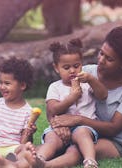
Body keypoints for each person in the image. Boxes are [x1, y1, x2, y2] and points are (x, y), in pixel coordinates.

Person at [41, 26, 122, 168]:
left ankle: (45, 166)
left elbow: (114, 128)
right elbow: (53, 107)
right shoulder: (85, 72)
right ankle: (22, 160)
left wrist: (78, 120)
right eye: (101, 53)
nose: (101, 60)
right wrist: (58, 126)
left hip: (114, 141)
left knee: (77, 149)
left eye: (109, 59)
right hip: (81, 133)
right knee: (54, 145)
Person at [35, 39, 107, 168]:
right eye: (66, 67)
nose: (72, 71)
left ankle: (90, 161)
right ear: (56, 68)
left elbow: (103, 95)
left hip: (84, 127)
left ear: (81, 64)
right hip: (60, 128)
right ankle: (39, 159)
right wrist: (72, 98)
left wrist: (91, 79)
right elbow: (53, 109)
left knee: (82, 134)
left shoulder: (86, 84)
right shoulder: (55, 87)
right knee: (51, 139)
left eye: (76, 65)